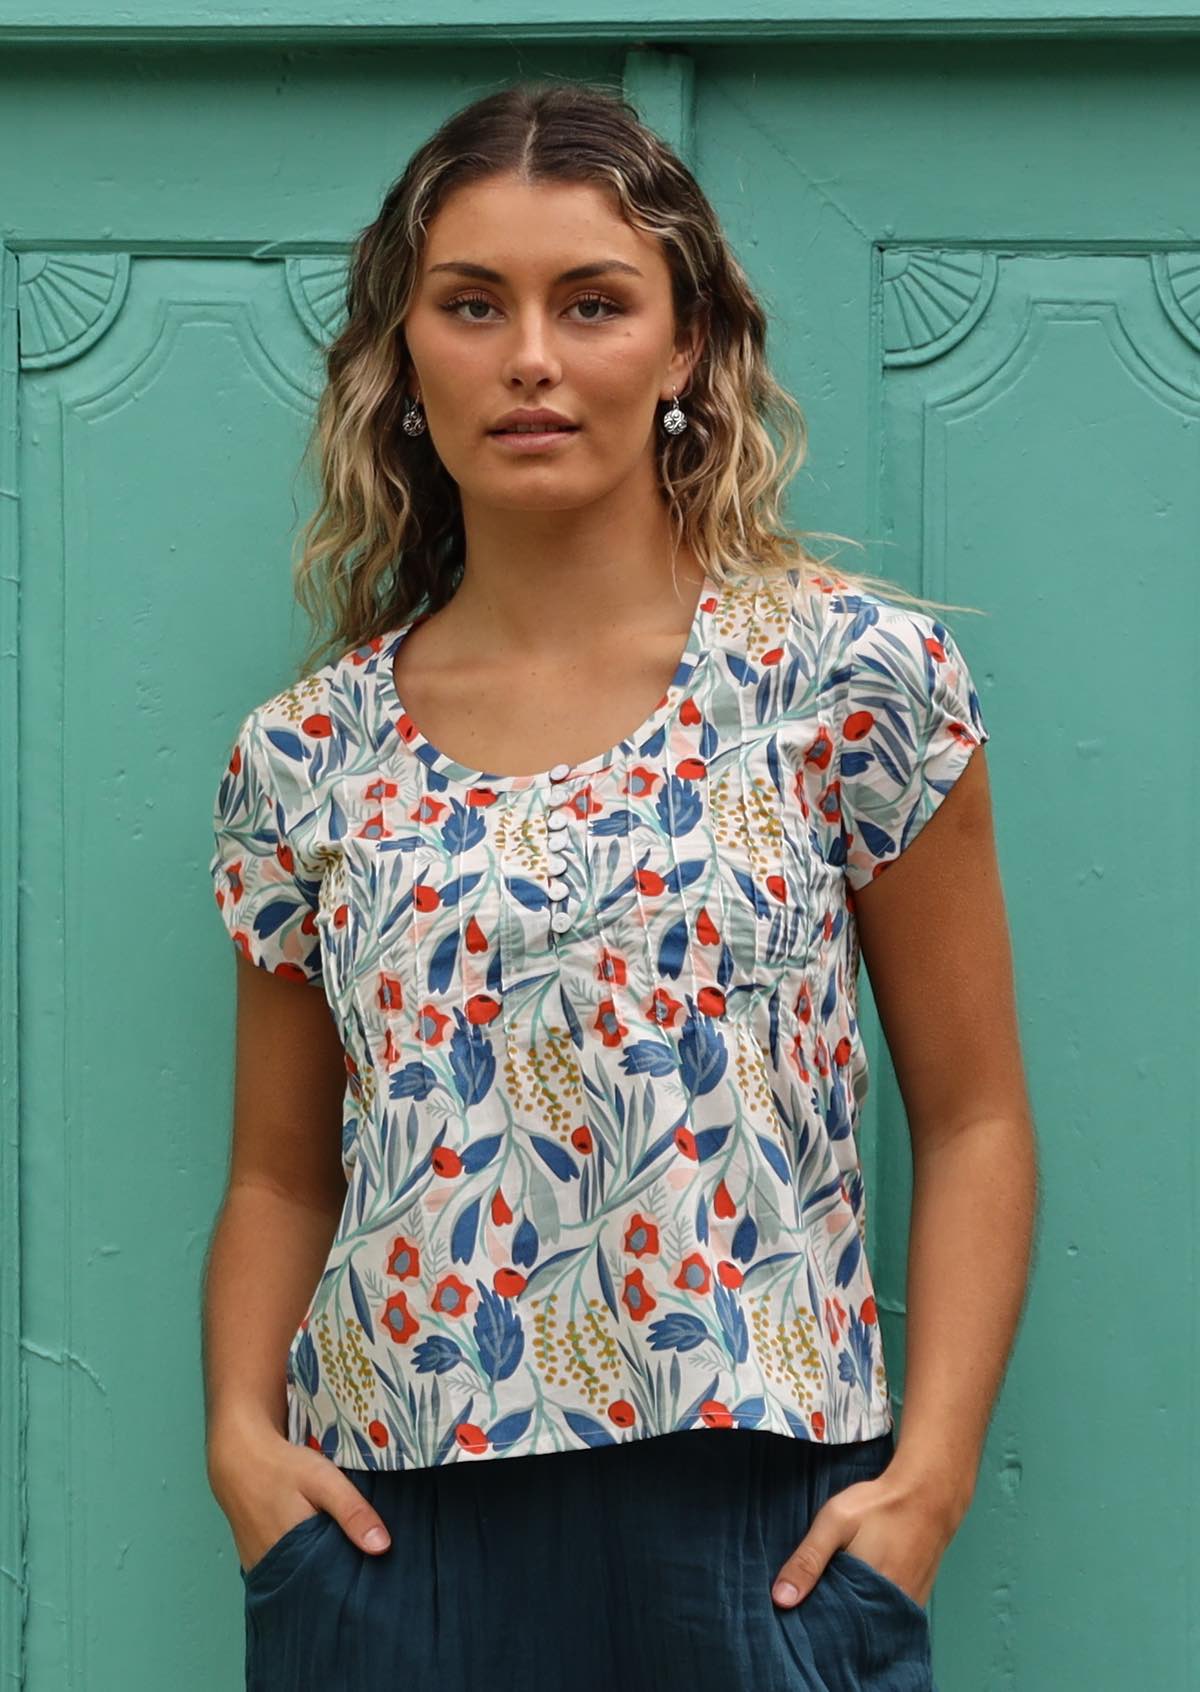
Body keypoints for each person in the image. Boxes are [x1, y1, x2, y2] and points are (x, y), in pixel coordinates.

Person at [202, 78, 1036, 1692]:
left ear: (685, 349)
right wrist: (244, 1443)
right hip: (389, 1547)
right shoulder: (304, 754)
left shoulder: (847, 681)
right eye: (473, 304)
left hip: (766, 1531)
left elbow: (981, 1115)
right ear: (404, 357)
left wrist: (921, 1491)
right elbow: (282, 1175)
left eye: (592, 302)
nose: (530, 355)